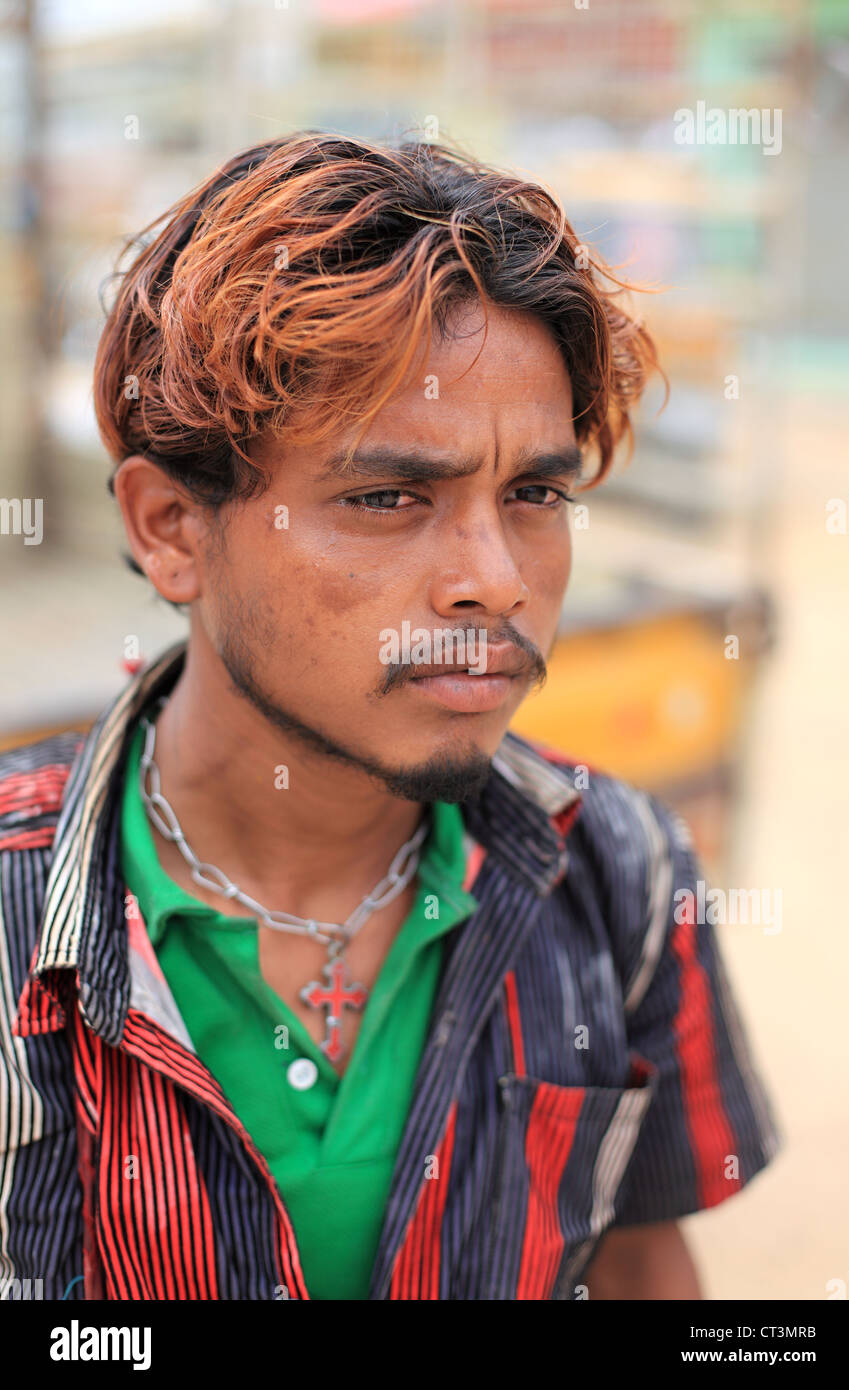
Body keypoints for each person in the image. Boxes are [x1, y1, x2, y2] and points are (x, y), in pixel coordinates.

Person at [0, 132, 779, 1301]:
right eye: (385, 496)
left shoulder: (616, 870)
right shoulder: (20, 922)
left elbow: (635, 1258)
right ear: (170, 528)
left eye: (533, 495)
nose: (493, 579)